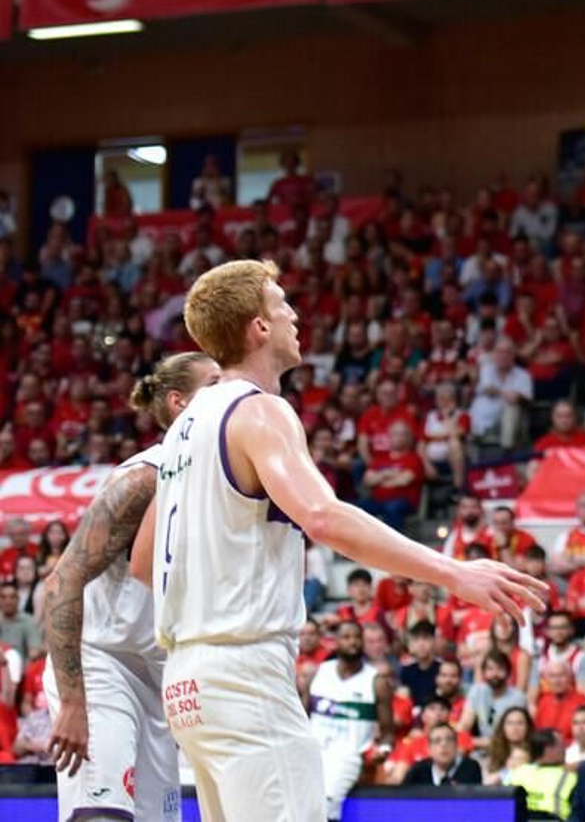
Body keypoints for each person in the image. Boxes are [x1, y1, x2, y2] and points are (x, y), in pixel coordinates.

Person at [152, 259, 546, 822]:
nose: (293, 314)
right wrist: (455, 572)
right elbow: (323, 518)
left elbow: (145, 558)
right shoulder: (257, 410)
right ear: (259, 327)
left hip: (187, 678)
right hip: (241, 669)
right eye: (281, 303)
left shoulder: (182, 429)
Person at [38, 351, 219, 822]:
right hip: (102, 661)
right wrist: (73, 702)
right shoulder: (144, 478)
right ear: (180, 402)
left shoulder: (218, 480)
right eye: (215, 384)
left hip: (159, 676)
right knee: (103, 815)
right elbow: (61, 582)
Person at [306, 619, 396, 821]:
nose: (352, 642)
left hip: (350, 755)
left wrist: (383, 750)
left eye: (357, 637)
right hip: (314, 752)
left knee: (327, 803)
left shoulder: (376, 682)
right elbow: (301, 717)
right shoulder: (318, 673)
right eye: (346, 637)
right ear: (335, 641)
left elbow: (389, 733)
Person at [402, 721, 484, 786]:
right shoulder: (418, 771)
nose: (444, 745)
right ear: (429, 749)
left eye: (449, 740)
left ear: (457, 745)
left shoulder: (471, 768)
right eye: (437, 741)